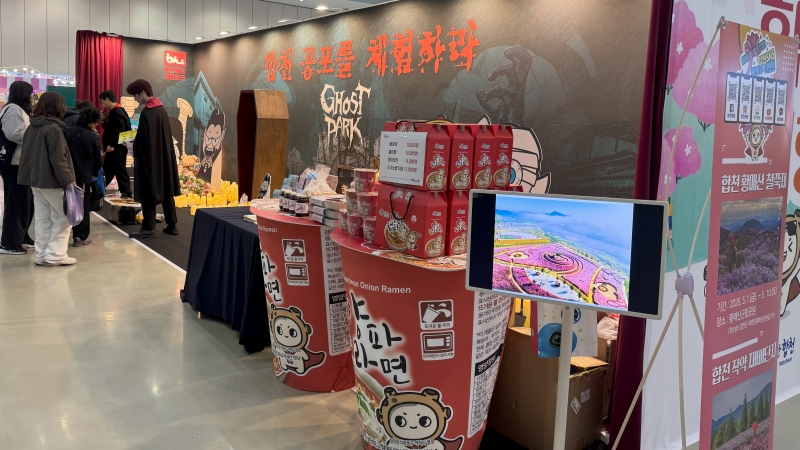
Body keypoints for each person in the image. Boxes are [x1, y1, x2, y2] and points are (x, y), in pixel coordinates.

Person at [17, 92, 77, 266]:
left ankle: (42, 254)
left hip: (35, 180)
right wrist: (68, 180)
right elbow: (59, 159)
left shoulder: (32, 127)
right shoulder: (53, 128)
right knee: (64, 217)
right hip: (52, 181)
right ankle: (54, 254)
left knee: (43, 218)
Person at [125, 79, 179, 238]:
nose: (135, 99)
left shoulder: (147, 113)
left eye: (135, 95)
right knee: (167, 189)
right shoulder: (161, 109)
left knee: (148, 190)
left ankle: (148, 227)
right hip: (164, 158)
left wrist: (131, 145)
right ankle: (172, 225)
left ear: (142, 93)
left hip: (151, 160)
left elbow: (144, 141)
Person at [0, 81, 34, 255]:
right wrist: (35, 135)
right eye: (30, 93)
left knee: (24, 202)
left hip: (20, 163)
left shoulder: (18, 109)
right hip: (14, 164)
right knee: (16, 204)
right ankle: (9, 243)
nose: (32, 96)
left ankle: (21, 236)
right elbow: (14, 134)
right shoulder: (13, 109)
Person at [66, 107, 103, 247]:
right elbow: (98, 160)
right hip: (83, 175)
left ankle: (64, 234)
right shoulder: (92, 136)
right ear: (92, 122)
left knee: (66, 205)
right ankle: (80, 236)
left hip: (66, 174)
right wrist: (94, 172)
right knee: (82, 206)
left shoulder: (67, 131)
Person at [99, 90, 132, 198]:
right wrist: (104, 121)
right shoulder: (116, 111)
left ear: (107, 99)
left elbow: (119, 130)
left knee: (119, 169)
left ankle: (126, 193)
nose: (102, 104)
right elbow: (110, 129)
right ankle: (100, 190)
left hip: (117, 148)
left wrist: (112, 145)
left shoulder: (117, 112)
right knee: (109, 170)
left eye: (102, 101)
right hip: (116, 147)